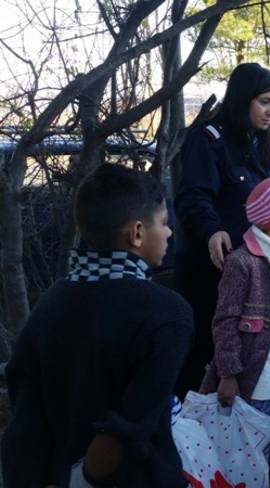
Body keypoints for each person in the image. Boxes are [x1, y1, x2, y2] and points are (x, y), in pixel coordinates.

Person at [1, 164, 193, 487]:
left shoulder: (50, 303)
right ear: (136, 233)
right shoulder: (167, 314)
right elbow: (126, 429)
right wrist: (82, 480)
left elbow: (25, 417)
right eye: (163, 223)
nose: (170, 232)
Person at [174, 62, 270, 398]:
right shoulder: (208, 140)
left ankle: (234, 419)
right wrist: (213, 231)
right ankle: (189, 422)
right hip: (210, 268)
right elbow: (193, 195)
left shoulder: (256, 141)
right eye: (264, 102)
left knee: (241, 345)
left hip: (249, 264)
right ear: (243, 98)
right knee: (204, 350)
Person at [199, 177, 270, 436]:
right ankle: (247, 477)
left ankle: (257, 473)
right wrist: (228, 373)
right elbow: (225, 321)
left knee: (261, 437)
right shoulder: (242, 263)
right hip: (247, 377)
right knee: (243, 442)